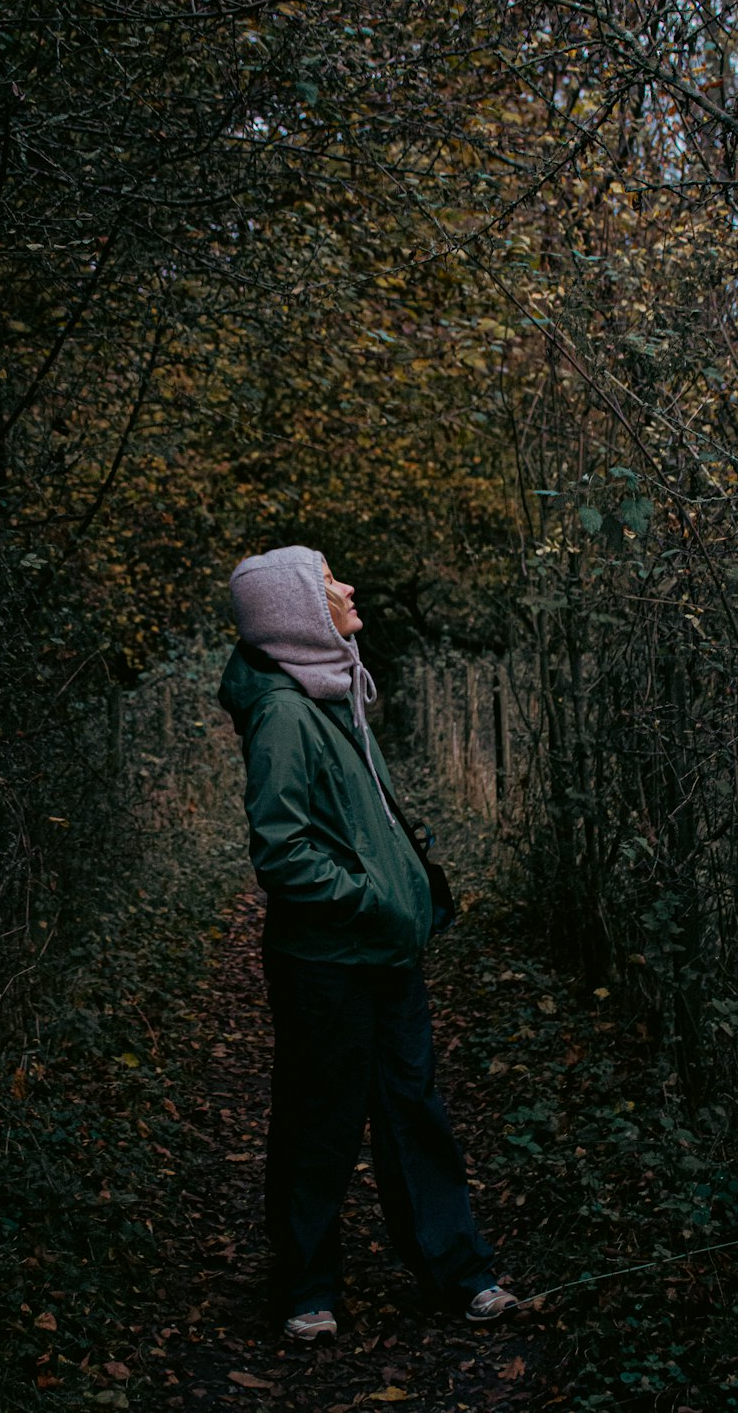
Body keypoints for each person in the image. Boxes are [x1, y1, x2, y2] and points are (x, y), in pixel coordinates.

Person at [218, 544, 518, 1342]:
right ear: (296, 614)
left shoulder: (327, 694)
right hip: (327, 962)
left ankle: (460, 1274)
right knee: (321, 1118)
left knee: (414, 1113)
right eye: (327, 583)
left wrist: (405, 899)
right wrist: (376, 902)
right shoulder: (285, 715)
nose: (347, 588)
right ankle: (305, 1291)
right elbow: (283, 852)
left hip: (381, 954)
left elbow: (362, 824)